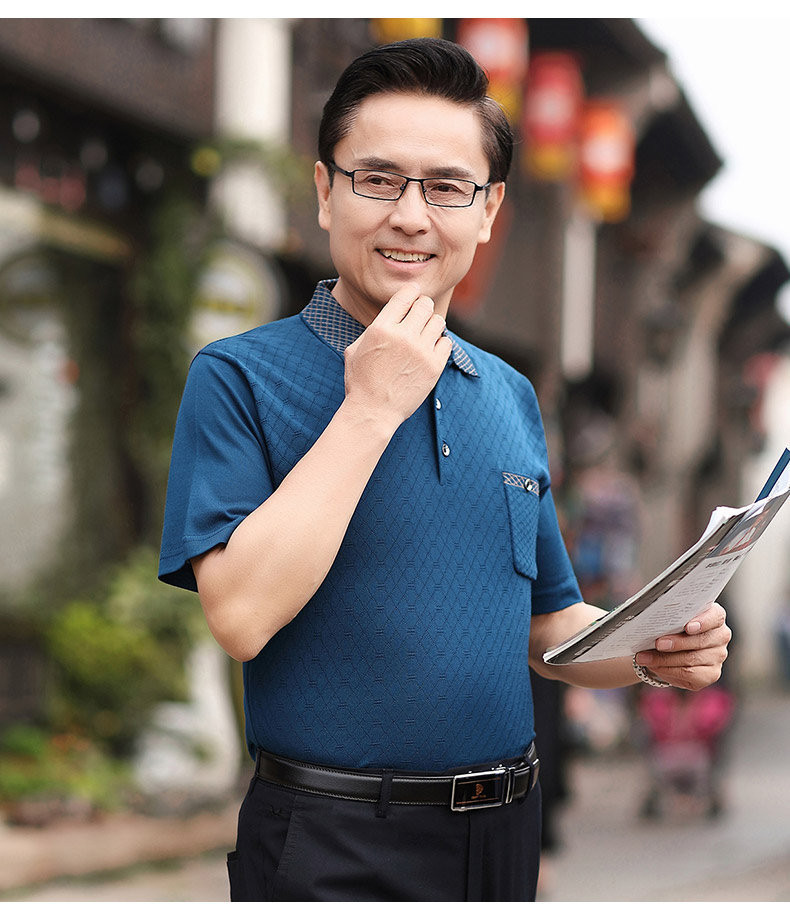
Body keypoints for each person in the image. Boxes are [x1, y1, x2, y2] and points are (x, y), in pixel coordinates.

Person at [158, 37, 731, 902]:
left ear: (489, 209)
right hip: (331, 846)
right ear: (324, 191)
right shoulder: (240, 375)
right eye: (377, 179)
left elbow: (546, 630)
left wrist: (654, 650)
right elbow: (238, 615)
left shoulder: (508, 394)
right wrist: (370, 408)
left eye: (447, 187)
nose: (411, 216)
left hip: (504, 840)